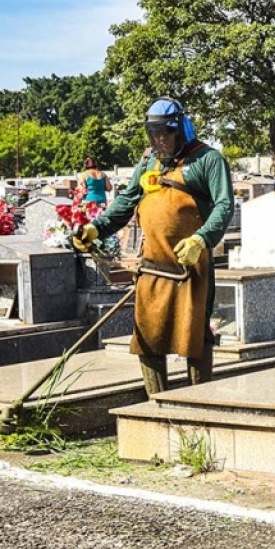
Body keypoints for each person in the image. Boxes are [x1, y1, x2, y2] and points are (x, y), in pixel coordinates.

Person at [73, 98, 233, 392]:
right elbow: (127, 200)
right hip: (153, 265)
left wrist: (201, 239)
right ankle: (156, 406)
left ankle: (201, 406)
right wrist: (97, 227)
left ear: (181, 129)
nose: (161, 140)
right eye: (155, 134)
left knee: (195, 336)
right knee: (148, 334)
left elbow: (224, 206)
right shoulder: (150, 160)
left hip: (191, 266)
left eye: (167, 133)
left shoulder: (209, 160)